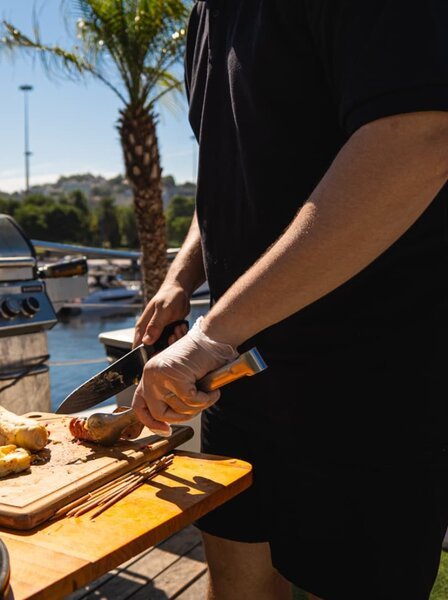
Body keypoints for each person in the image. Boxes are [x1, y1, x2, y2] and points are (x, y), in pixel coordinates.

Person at [132, 2, 447, 599]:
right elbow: (232, 170)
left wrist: (210, 335)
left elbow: (418, 140)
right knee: (238, 583)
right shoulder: (205, 14)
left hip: (367, 386)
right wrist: (182, 277)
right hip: (236, 374)